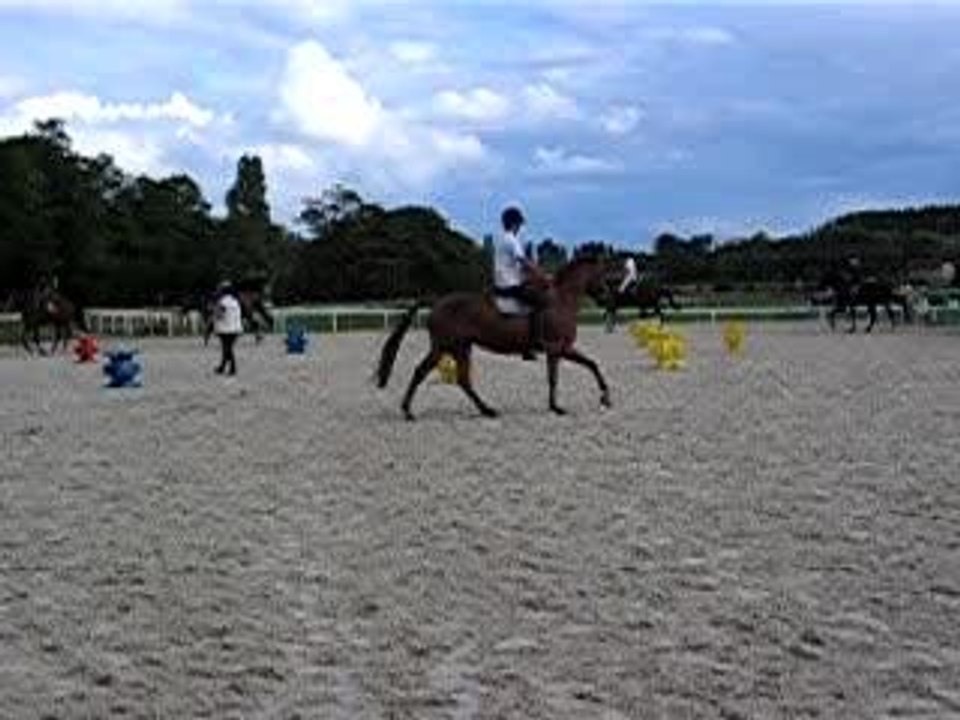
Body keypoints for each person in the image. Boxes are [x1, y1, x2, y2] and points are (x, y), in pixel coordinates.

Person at [492, 206, 545, 360]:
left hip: (503, 281)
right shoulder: (511, 240)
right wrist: (541, 274)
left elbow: (516, 265)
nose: (520, 228)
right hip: (510, 284)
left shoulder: (501, 238)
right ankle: (532, 345)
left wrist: (529, 275)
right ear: (514, 224)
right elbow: (523, 261)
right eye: (519, 225)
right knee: (540, 303)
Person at [214, 280, 243, 376]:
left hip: (226, 329)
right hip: (236, 328)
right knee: (226, 349)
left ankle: (233, 368)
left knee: (227, 349)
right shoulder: (235, 301)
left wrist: (214, 312)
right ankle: (222, 367)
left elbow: (219, 315)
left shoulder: (223, 302)